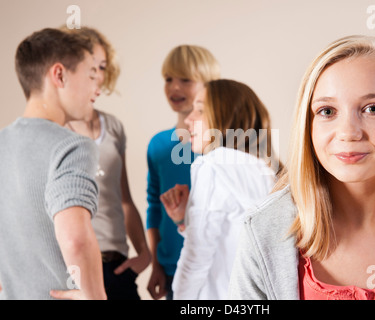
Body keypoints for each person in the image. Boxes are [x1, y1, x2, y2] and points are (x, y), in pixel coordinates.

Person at [228, 35, 375, 300]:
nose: (348, 132)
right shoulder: (262, 231)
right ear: (308, 126)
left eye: (373, 108)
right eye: (327, 111)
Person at [0, 28, 106, 300]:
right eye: (90, 74)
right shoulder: (72, 145)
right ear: (59, 75)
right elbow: (75, 239)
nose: (98, 87)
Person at [160, 79, 281, 300]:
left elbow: (197, 255)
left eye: (200, 110)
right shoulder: (268, 170)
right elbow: (233, 239)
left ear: (225, 117)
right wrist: (184, 221)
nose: (188, 119)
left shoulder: (213, 164)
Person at [61, 26, 151, 300]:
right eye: (91, 68)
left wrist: (144, 254)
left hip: (117, 266)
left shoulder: (113, 127)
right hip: (71, 271)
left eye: (102, 67)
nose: (98, 76)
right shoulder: (53, 129)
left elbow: (123, 200)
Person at [146, 45, 220, 300]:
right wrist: (156, 264)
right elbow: (154, 207)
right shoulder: (158, 144)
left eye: (185, 80)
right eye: (168, 79)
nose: (174, 87)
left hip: (215, 268)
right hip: (171, 269)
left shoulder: (222, 144)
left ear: (209, 86)